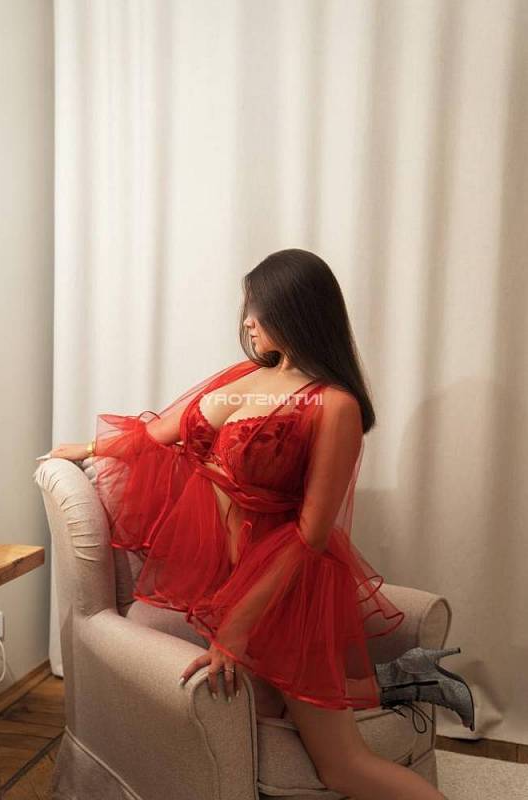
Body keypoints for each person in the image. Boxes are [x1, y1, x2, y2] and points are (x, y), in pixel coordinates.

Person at [52, 249, 474, 800]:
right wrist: (88, 449)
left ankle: (409, 685)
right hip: (225, 584)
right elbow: (163, 433)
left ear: (292, 310)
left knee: (341, 767)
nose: (247, 321)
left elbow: (311, 534)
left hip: (285, 595)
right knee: (268, 700)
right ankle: (404, 679)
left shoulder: (334, 405)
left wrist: (237, 628)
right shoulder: (248, 379)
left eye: (257, 308)